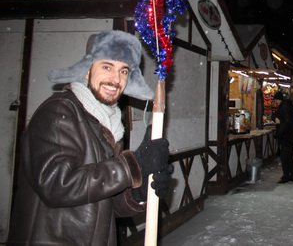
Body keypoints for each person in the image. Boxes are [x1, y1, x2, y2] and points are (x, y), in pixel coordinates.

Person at [8, 30, 173, 246]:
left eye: (124, 71)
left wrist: (138, 191)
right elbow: (57, 185)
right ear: (87, 70)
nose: (116, 79)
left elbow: (104, 202)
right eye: (107, 67)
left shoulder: (108, 124)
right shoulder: (59, 112)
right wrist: (133, 166)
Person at [274, 90, 293, 183]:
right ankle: (292, 175)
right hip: (289, 135)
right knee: (288, 156)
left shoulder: (284, 108)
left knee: (285, 157)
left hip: (286, 136)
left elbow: (285, 122)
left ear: (279, 99)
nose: (275, 102)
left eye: (275, 100)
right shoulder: (285, 106)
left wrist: (279, 132)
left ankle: (286, 176)